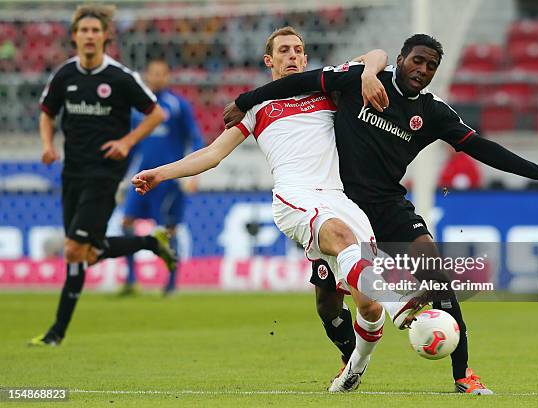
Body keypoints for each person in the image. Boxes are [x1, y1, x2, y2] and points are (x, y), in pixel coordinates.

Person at [223, 33, 538, 394]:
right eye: (417, 61)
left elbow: (482, 148)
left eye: (431, 66)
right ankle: (351, 360)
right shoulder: (362, 79)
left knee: (436, 274)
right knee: (328, 306)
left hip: (388, 205)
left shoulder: (432, 111)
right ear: (401, 58)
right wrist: (246, 100)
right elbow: (303, 80)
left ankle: (463, 375)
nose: (422, 70)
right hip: (336, 204)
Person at [132, 26, 430, 393]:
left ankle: (354, 368)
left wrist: (367, 73)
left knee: (367, 308)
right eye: (284, 50)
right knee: (342, 239)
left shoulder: (327, 90)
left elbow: (377, 55)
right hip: (295, 196)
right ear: (269, 60)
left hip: (339, 197)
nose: (292, 55)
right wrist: (160, 174)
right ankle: (398, 300)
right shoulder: (257, 108)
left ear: (305, 59)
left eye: (298, 50)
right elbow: (211, 155)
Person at [30, 4, 176, 347]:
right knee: (88, 253)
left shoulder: (120, 77)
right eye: (84, 31)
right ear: (74, 37)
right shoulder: (65, 75)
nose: (90, 36)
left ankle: (56, 334)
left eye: (96, 31)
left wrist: (126, 142)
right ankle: (151, 243)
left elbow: (157, 114)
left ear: (105, 37)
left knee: (72, 250)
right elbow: (46, 113)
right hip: (72, 171)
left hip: (104, 173)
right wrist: (48, 145)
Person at [119, 59, 205, 296]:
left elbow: (196, 139)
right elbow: (132, 145)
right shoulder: (138, 107)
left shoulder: (178, 105)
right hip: (141, 179)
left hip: (168, 180)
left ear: (167, 77)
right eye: (153, 73)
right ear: (147, 76)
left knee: (168, 230)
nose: (156, 77)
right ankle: (131, 279)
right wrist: (120, 177)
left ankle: (170, 284)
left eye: (161, 73)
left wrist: (194, 173)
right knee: (126, 222)